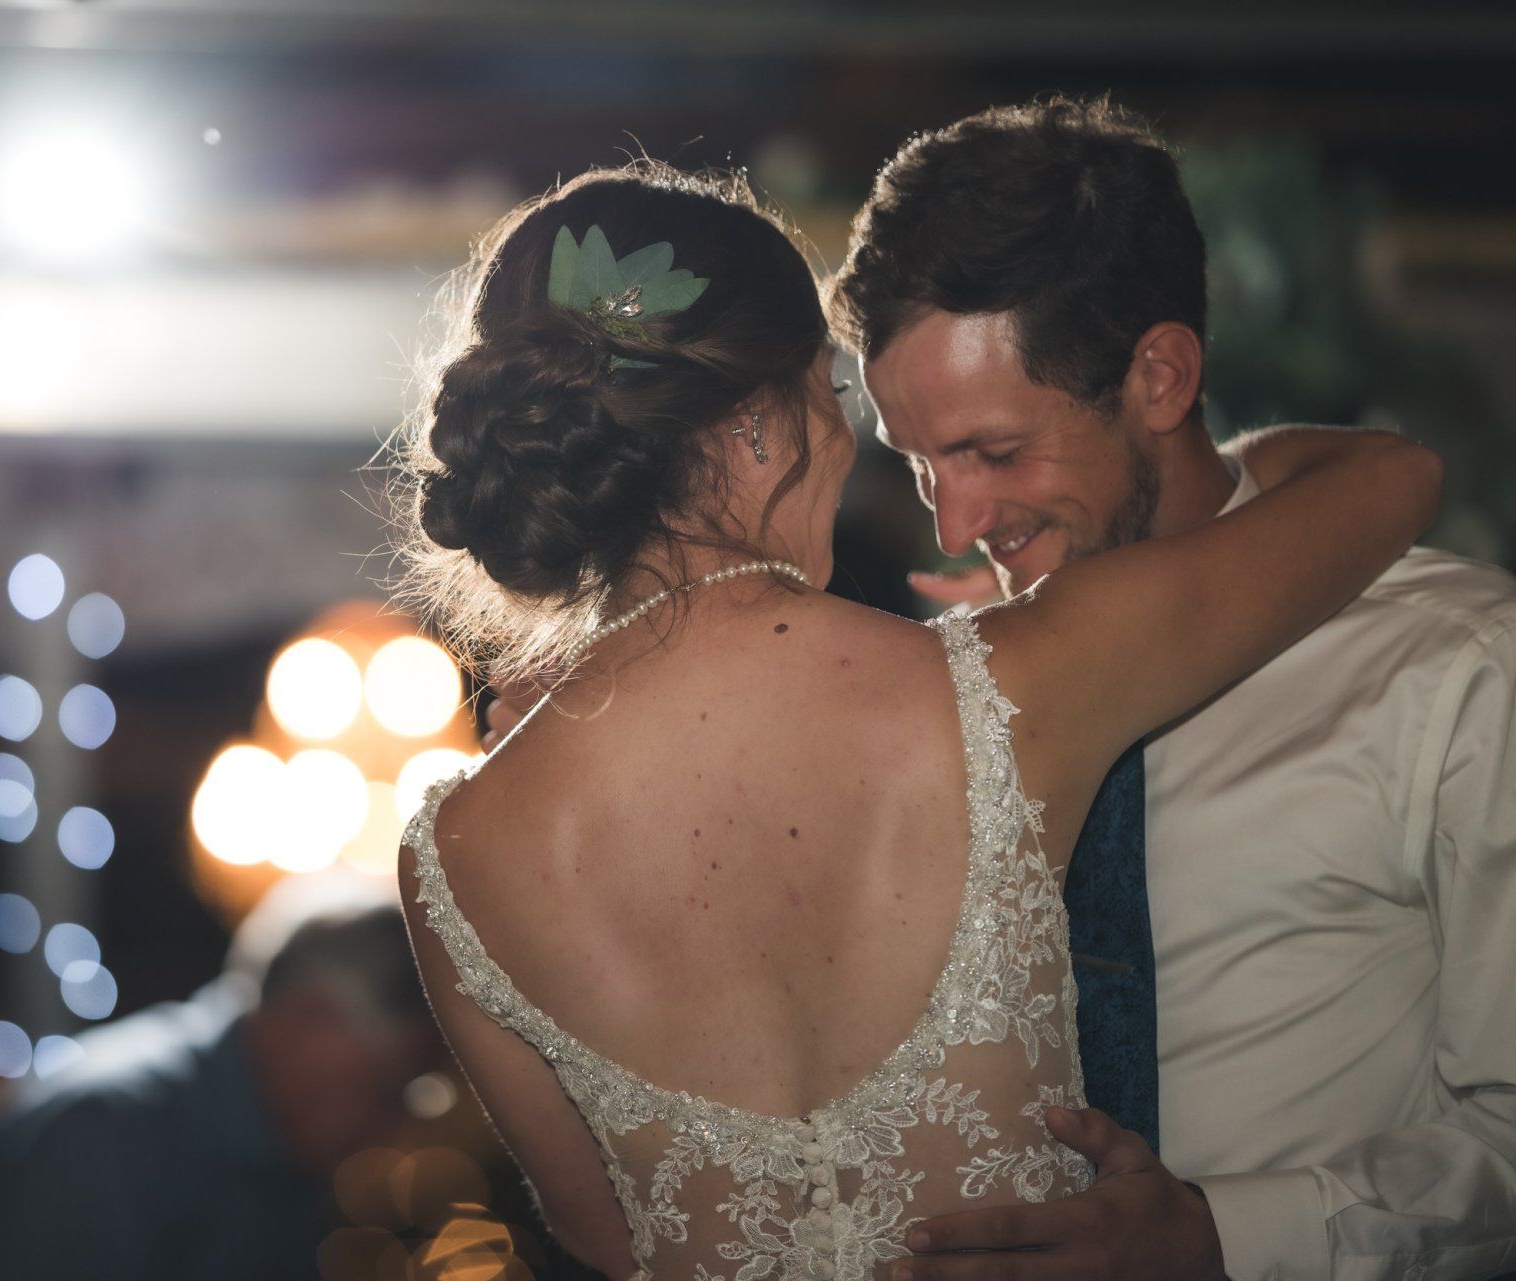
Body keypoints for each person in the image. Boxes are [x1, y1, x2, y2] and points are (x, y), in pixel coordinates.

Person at [386, 159, 1438, 1281]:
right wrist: (1226, 455)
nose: (845, 449)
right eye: (833, 398)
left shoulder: (455, 855)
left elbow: (605, 1234)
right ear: (755, 425)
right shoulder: (1018, 683)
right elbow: (1392, 479)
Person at [826, 97, 1516, 1280]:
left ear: (1159, 375)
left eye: (993, 452)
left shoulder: (1454, 665)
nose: (958, 523)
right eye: (919, 463)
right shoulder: (956, 685)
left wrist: (1229, 1237)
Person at [0, 882, 443, 1281]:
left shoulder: (258, 1141)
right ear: (316, 1026)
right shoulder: (108, 1134)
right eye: (394, 1088)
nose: (396, 1130)